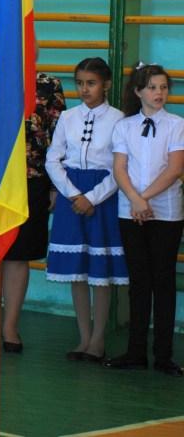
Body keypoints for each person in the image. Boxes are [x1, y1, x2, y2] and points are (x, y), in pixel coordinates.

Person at [0, 69, 65, 352]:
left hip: (31, 180)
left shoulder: (48, 85)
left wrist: (54, 185)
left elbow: (57, 137)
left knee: (19, 255)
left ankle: (10, 327)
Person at [105, 63, 184, 377]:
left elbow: (174, 169)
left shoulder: (176, 125)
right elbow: (120, 168)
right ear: (138, 91)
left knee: (163, 281)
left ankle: (163, 355)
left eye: (163, 87)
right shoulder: (124, 126)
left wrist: (145, 198)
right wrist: (135, 201)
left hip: (166, 212)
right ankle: (136, 351)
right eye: (152, 87)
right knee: (139, 281)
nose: (159, 93)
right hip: (131, 211)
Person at [45, 57, 125, 362]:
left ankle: (98, 339)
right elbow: (53, 159)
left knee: (99, 272)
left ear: (106, 84)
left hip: (103, 198)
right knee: (77, 271)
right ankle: (83, 337)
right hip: (72, 197)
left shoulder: (119, 120)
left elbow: (120, 168)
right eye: (79, 83)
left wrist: (92, 197)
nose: (84, 89)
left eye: (91, 83)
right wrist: (73, 194)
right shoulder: (67, 118)